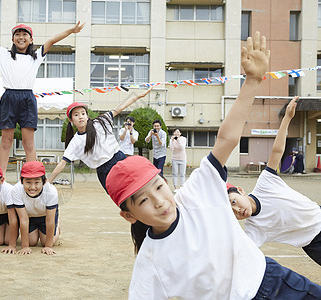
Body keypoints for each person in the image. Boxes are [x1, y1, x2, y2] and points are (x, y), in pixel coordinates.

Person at [106, 32, 321, 299]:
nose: (160, 201)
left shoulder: (196, 191)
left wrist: (253, 81)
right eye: (143, 201)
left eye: (159, 187)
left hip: (273, 282)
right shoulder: (149, 261)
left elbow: (227, 138)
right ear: (129, 215)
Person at [0, 21, 85, 174]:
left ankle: (33, 175)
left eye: (25, 34)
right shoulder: (4, 54)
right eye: (17, 35)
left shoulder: (36, 56)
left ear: (31, 39)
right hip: (9, 98)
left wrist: (72, 30)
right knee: (6, 142)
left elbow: (52, 40)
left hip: (27, 98)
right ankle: (1, 176)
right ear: (12, 39)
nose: (21, 37)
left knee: (29, 143)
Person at [227, 96, 321, 266]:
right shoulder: (254, 229)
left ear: (240, 190)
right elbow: (240, 252)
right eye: (231, 211)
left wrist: (287, 118)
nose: (237, 209)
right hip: (313, 244)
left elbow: (277, 151)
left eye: (233, 201)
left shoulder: (265, 184)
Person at [48, 87, 153, 192]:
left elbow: (120, 107)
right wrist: (48, 182)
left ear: (87, 116)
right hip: (104, 171)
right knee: (122, 199)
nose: (81, 117)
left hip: (118, 160)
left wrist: (139, 96)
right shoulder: (75, 142)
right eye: (76, 115)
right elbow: (62, 163)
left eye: (83, 113)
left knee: (138, 189)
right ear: (71, 120)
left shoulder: (100, 122)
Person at [12, 161, 60, 255]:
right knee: (31, 242)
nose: (32, 187)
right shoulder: (16, 190)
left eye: (37, 182)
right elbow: (23, 219)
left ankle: (57, 225)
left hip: (45, 215)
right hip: (29, 216)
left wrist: (48, 246)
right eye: (28, 182)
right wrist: (25, 246)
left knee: (45, 242)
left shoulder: (51, 191)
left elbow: (50, 221)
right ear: (21, 180)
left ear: (44, 181)